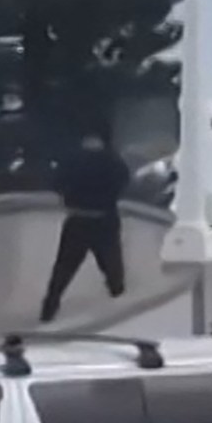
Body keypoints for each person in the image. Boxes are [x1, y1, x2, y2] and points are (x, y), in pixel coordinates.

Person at [40, 134, 130, 322]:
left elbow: (57, 183)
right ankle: (120, 304)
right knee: (112, 265)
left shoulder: (73, 160)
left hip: (78, 218)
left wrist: (70, 196)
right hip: (104, 219)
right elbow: (123, 182)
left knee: (64, 268)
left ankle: (49, 309)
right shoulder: (112, 161)